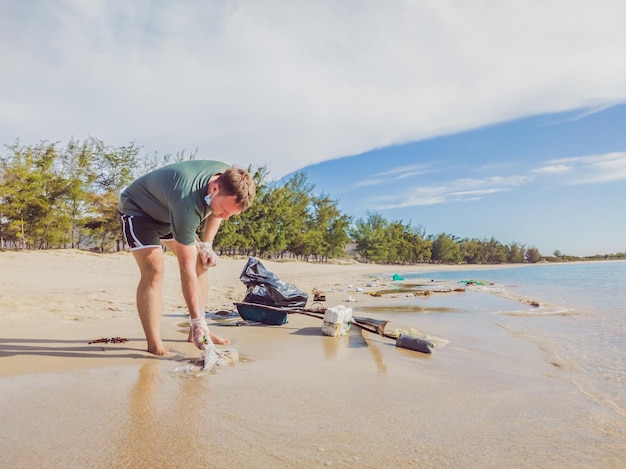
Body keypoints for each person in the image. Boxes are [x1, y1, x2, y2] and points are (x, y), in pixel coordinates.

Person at [118, 160, 256, 356]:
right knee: (154, 271)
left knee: (202, 262)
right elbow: (186, 267)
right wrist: (196, 319)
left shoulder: (228, 180)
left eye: (231, 215)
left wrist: (207, 245)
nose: (226, 217)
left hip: (169, 212)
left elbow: (216, 213)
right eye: (225, 211)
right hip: (138, 211)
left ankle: (197, 332)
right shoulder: (187, 200)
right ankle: (155, 346)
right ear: (214, 188)